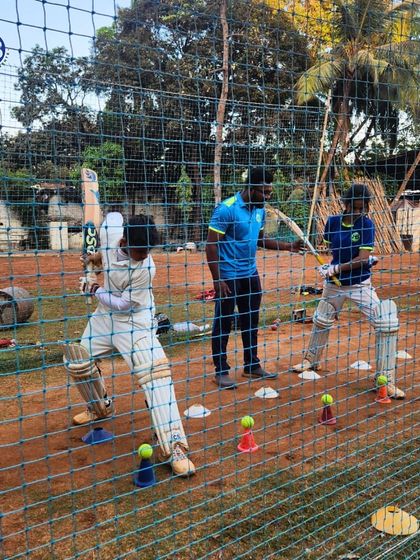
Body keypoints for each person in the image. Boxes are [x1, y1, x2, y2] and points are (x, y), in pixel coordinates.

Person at [63, 212, 196, 477]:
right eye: (140, 249)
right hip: (103, 318)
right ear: (123, 241)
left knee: (156, 375)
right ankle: (100, 407)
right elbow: (112, 216)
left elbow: (124, 303)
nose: (145, 254)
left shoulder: (147, 268)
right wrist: (96, 257)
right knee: (76, 359)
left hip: (135, 322)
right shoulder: (112, 232)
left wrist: (94, 289)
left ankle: (174, 446)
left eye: (148, 249)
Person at [293, 183, 405, 399]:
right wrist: (326, 265)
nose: (357, 213)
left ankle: (386, 380)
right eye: (354, 207)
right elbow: (329, 248)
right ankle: (310, 360)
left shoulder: (366, 225)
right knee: (321, 319)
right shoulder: (333, 222)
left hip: (359, 284)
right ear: (346, 204)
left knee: (386, 323)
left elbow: (362, 258)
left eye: (362, 208)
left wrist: (338, 267)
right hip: (334, 284)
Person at [206, 167, 303, 389]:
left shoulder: (259, 210)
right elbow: (211, 245)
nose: (268, 197)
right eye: (264, 192)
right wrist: (217, 279)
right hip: (228, 277)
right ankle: (221, 371)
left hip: (250, 275)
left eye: (270, 192)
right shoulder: (226, 209)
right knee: (223, 323)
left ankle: (252, 365)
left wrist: (289, 246)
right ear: (250, 188)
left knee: (250, 321)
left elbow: (260, 240)